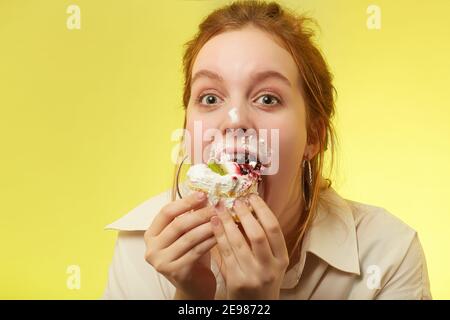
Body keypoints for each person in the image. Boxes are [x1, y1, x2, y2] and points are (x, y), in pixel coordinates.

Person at [102, 1, 431, 300]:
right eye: (210, 98)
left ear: (313, 137)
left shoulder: (389, 254)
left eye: (267, 98)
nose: (235, 121)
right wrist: (191, 298)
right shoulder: (142, 247)